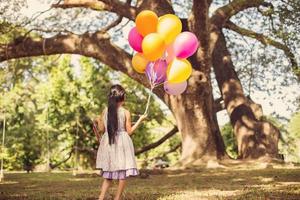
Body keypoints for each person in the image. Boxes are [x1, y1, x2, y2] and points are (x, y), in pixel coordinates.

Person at [95, 84, 147, 200]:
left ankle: (101, 198)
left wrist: (98, 120)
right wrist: (140, 120)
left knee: (108, 174)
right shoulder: (125, 112)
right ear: (121, 97)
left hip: (109, 142)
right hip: (122, 143)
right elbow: (129, 131)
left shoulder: (105, 111)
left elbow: (101, 130)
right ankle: (117, 198)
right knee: (122, 173)